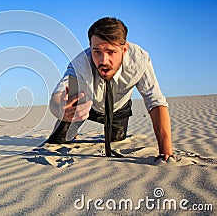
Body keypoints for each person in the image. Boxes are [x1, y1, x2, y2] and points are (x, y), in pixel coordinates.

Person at [47, 17, 174, 161]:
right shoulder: (81, 62)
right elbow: (58, 94)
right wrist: (60, 108)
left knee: (117, 139)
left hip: (118, 110)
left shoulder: (139, 60)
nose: (103, 61)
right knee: (56, 141)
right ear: (90, 46)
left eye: (111, 52)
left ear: (124, 49)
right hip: (86, 106)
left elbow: (155, 100)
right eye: (97, 52)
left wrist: (166, 152)